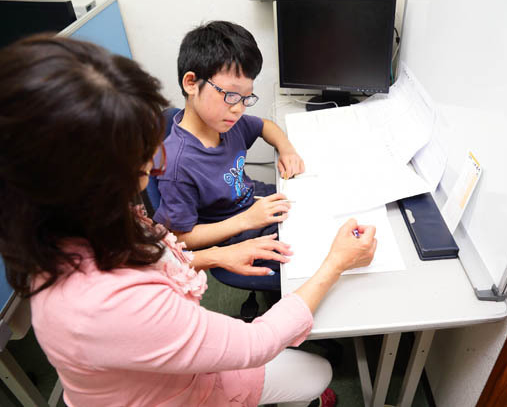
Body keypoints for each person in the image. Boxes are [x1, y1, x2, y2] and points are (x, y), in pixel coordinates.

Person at [0, 35, 377, 407]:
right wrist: (337, 262)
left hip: (167, 356)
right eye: (143, 161)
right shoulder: (103, 305)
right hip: (177, 394)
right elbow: (254, 345)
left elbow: (152, 252)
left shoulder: (80, 225)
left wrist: (215, 257)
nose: (152, 166)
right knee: (319, 372)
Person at [154, 21, 303, 278]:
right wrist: (247, 220)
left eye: (247, 98)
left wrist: (286, 148)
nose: (239, 108)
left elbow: (265, 126)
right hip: (231, 234)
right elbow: (179, 238)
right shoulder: (177, 165)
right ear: (191, 83)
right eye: (231, 95)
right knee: (306, 255)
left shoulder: (224, 121)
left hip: (253, 200)